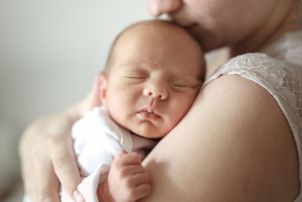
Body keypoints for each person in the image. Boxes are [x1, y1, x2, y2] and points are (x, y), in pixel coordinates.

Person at [19, 0, 302, 201]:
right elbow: (62, 124)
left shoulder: (254, 91)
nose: (158, 7)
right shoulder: (205, 57)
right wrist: (39, 132)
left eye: (179, 84)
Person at [58, 20, 204, 202]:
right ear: (103, 89)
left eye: (179, 85)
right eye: (136, 76)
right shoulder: (100, 136)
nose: (157, 91)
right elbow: (62, 194)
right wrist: (105, 194)